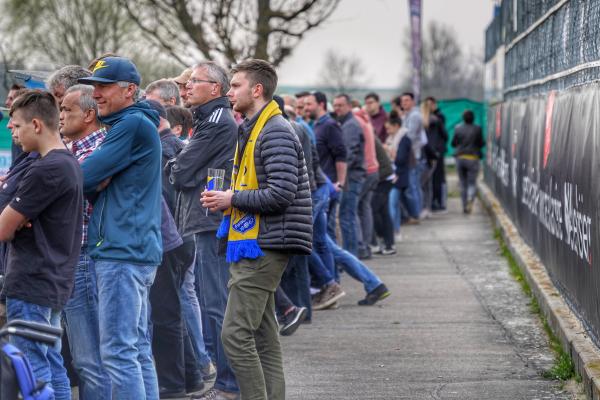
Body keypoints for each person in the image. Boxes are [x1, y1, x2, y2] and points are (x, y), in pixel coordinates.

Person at [202, 59, 312, 400]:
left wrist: (232, 198)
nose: (229, 92)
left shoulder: (275, 130)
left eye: (235, 86)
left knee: (234, 335)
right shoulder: (254, 128)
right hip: (257, 240)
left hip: (265, 243)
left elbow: (281, 193)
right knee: (263, 337)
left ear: (257, 90)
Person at [78, 56, 163, 399]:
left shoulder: (131, 125)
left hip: (121, 251)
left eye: (104, 86)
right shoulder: (131, 123)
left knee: (118, 352)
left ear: (130, 90)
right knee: (136, 349)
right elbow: (90, 177)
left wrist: (91, 176)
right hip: (133, 250)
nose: (95, 94)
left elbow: (81, 177)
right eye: (93, 86)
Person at [0, 90, 83, 400]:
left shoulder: (46, 168)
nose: (15, 135)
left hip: (33, 281)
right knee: (50, 362)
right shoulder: (66, 162)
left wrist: (14, 218)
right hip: (52, 280)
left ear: (36, 125)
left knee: (33, 370)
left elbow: (3, 228)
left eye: (17, 127)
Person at [168, 61, 240, 400]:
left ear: (215, 88)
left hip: (210, 220)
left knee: (216, 304)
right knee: (212, 301)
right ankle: (225, 379)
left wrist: (177, 165)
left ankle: (228, 383)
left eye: (194, 81)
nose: (187, 88)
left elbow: (180, 172)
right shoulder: (208, 119)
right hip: (205, 218)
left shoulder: (214, 122)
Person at [59, 84, 112, 399]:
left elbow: (70, 200)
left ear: (90, 114)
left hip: (85, 256)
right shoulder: (71, 148)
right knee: (81, 358)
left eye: (67, 110)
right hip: (68, 257)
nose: (61, 116)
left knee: (91, 359)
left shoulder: (99, 151)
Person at [303, 92, 346, 240]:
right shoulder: (316, 124)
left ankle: (335, 264)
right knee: (323, 237)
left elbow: (341, 155)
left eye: (309, 104)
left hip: (330, 185)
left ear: (321, 104)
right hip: (323, 184)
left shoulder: (330, 125)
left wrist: (339, 183)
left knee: (328, 232)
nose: (306, 108)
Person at [333, 94, 365, 256]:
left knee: (347, 217)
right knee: (348, 217)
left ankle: (351, 256)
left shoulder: (351, 125)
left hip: (351, 178)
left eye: (340, 105)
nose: (337, 108)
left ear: (349, 106)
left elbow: (348, 154)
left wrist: (340, 177)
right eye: (335, 105)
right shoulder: (345, 123)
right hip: (350, 177)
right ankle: (353, 254)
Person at [353, 107, 379, 260]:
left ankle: (360, 246)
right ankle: (367, 246)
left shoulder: (355, 122)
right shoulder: (366, 121)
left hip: (364, 170)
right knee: (365, 208)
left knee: (352, 210)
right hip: (373, 169)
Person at [452, 110, 484, 214]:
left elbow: (453, 143)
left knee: (463, 183)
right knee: (472, 183)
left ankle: (464, 205)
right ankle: (471, 197)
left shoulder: (457, 128)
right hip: (473, 158)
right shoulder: (477, 128)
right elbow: (481, 143)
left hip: (460, 157)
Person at [400, 92, 427, 221]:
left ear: (412, 102)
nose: (404, 103)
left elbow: (410, 135)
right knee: (413, 186)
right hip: (409, 154)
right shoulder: (406, 115)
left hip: (414, 155)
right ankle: (417, 211)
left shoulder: (415, 116)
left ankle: (416, 213)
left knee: (413, 186)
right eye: (402, 101)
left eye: (406, 100)